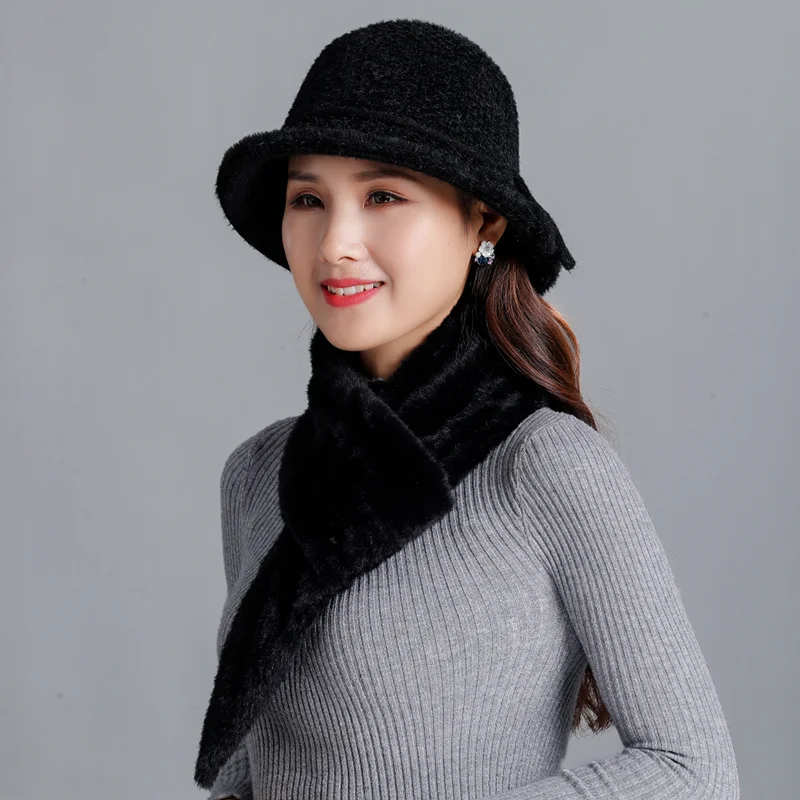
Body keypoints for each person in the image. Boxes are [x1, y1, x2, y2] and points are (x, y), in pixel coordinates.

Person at [194, 18, 740, 800]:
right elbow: (251, 772)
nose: (336, 242)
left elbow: (694, 772)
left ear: (484, 221)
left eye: (383, 195)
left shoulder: (544, 467)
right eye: (307, 198)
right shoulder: (257, 474)